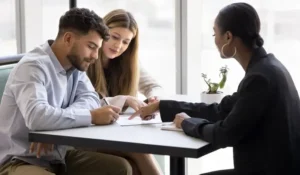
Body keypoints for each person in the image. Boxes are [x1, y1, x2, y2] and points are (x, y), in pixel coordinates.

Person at [130, 2, 300, 175]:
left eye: (214, 33)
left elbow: (224, 134)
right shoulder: (267, 67)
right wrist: (162, 106)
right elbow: (220, 110)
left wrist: (187, 123)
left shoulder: (260, 78)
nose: (215, 40)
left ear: (228, 37)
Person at [0, 8, 134, 175]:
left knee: (120, 168)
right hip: (19, 160)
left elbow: (91, 98)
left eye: (97, 49)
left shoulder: (76, 66)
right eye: (91, 47)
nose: (95, 56)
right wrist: (92, 116)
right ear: (68, 38)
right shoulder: (33, 66)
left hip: (57, 157)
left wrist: (52, 129)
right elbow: (37, 116)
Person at [86, 9, 163, 175]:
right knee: (141, 153)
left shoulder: (128, 62)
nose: (118, 46)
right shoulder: (86, 59)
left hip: (115, 134)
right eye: (114, 37)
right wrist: (124, 99)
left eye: (126, 42)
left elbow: (153, 86)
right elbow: (86, 105)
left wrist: (153, 99)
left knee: (134, 167)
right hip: (87, 136)